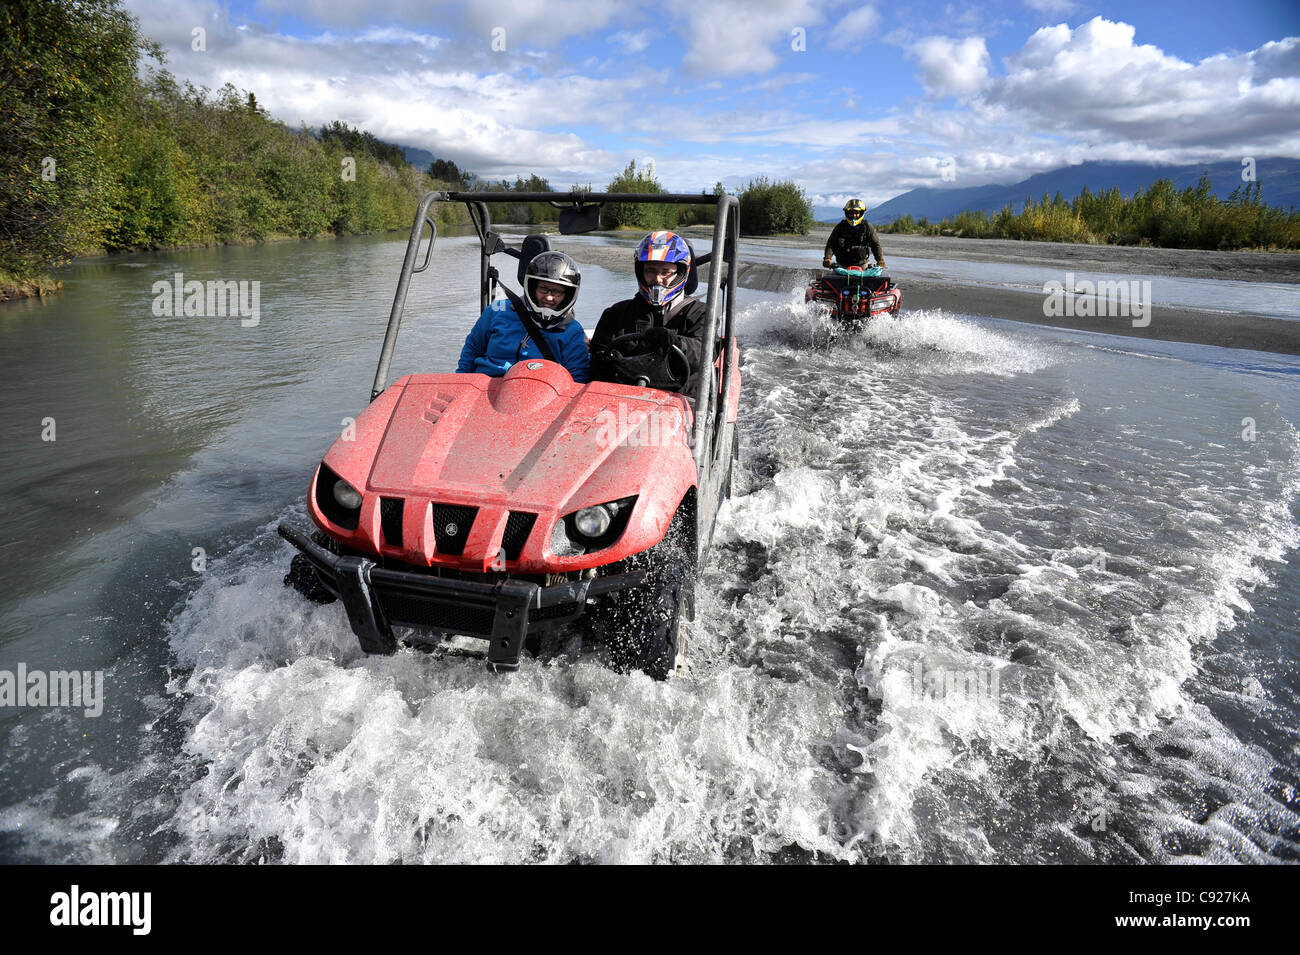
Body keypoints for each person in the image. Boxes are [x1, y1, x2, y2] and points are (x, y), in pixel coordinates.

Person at [588, 230, 708, 395]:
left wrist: (678, 343)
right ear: (640, 271)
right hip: (624, 398)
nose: (657, 279)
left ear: (680, 273)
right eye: (651, 271)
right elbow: (598, 356)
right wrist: (609, 361)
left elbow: (706, 353)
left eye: (665, 272)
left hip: (681, 400)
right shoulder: (616, 313)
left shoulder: (699, 313)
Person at [456, 250, 590, 383]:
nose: (549, 297)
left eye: (557, 292)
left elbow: (578, 379)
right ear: (532, 288)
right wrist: (460, 384)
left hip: (537, 395)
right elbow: (472, 349)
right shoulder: (497, 311)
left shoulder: (573, 331)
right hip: (486, 386)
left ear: (568, 295)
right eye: (543, 289)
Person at [823, 198, 887, 270]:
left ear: (861, 213)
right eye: (851, 212)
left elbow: (875, 245)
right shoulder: (840, 227)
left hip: (862, 265)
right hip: (841, 265)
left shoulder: (867, 226)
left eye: (856, 213)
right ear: (847, 213)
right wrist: (828, 258)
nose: (854, 215)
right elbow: (831, 244)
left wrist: (880, 260)